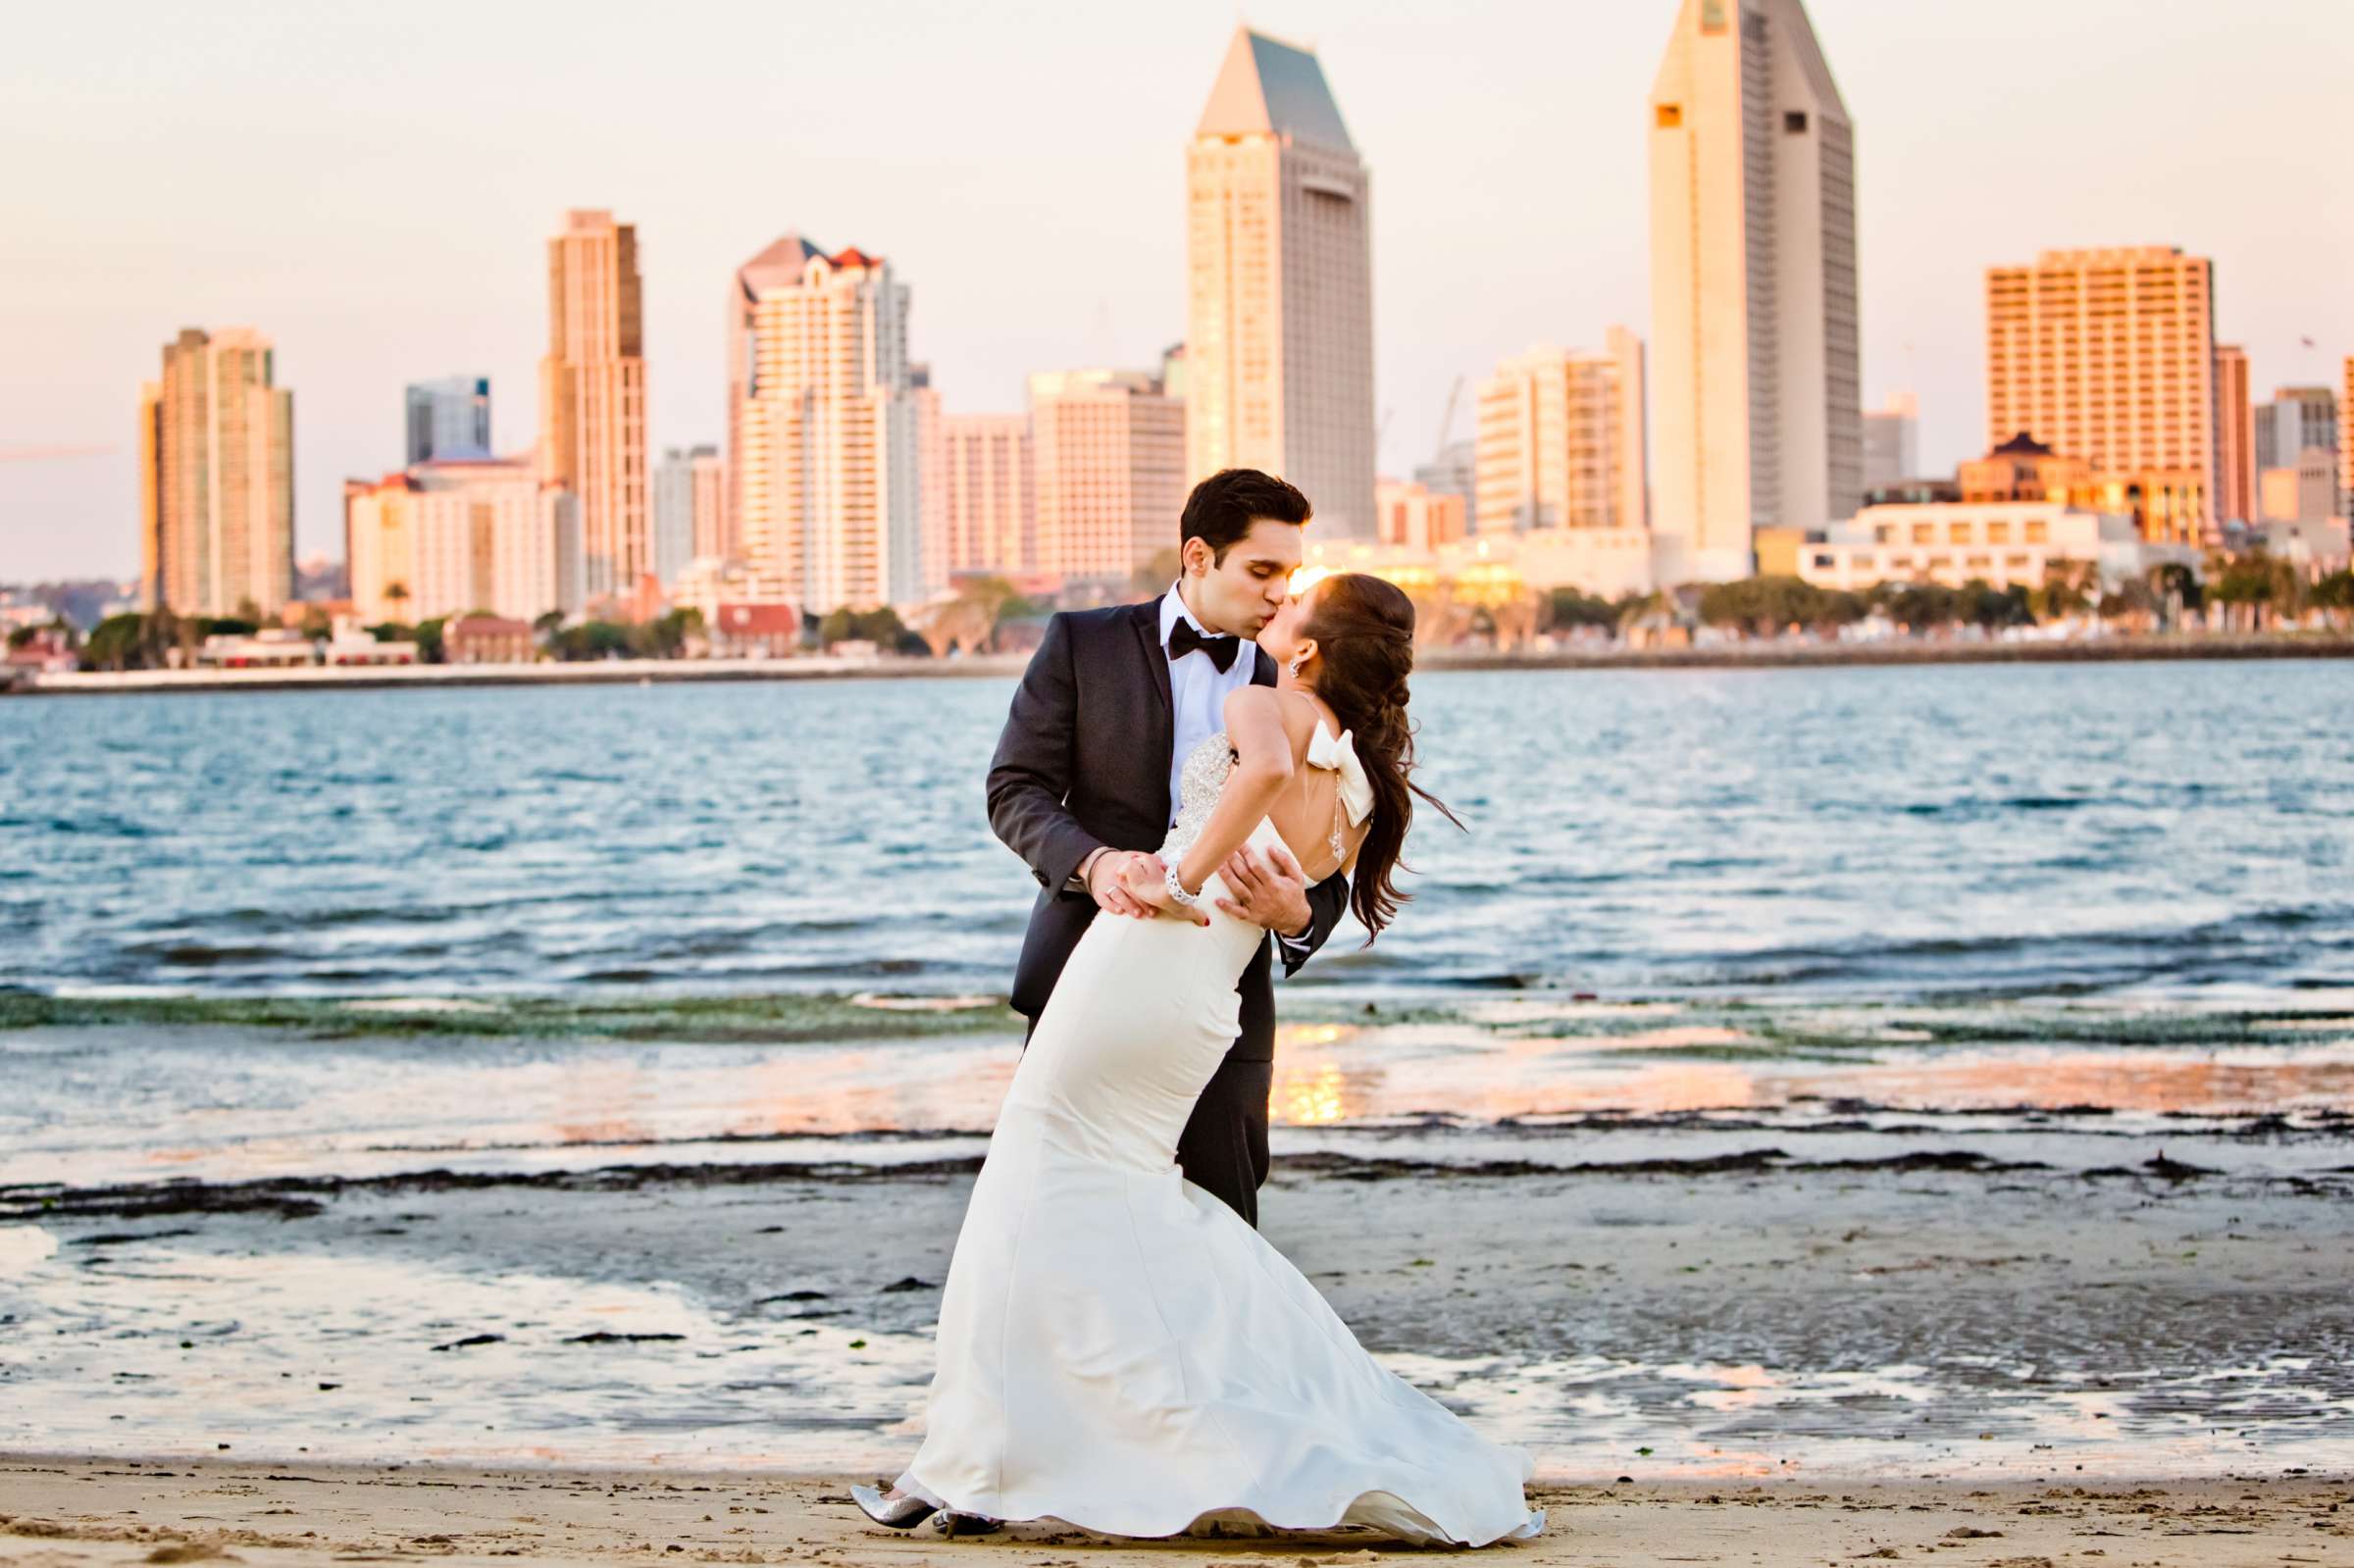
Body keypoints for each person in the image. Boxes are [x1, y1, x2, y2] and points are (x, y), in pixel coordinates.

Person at [853, 558, 1544, 1546]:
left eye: (1293, 598)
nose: (1276, 603)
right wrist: (1238, 891)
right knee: (1117, 1202)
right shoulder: (1361, 775)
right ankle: (1010, 1454)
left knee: (1028, 1189)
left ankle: (967, 1467)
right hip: (1198, 999)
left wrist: (1179, 874)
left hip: (1140, 967)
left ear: (1307, 646)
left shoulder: (1271, 705)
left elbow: (1257, 780)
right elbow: (1299, 875)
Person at [983, 467, 1353, 1229]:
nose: (1281, 593)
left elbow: (1338, 843)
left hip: (1223, 996)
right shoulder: (1079, 643)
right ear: (1196, 557)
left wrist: (1299, 914)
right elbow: (1013, 788)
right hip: (1084, 975)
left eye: (1291, 575)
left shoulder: (1300, 676)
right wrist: (1098, 863)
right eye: (1261, 571)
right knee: (1059, 1217)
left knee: (1222, 1225)